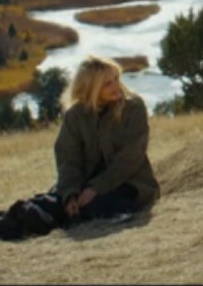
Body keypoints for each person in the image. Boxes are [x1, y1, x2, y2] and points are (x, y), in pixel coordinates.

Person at [54, 55, 161, 222]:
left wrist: (96, 188)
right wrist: (70, 195)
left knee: (96, 206)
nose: (116, 85)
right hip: (85, 185)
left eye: (116, 78)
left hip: (130, 183)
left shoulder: (133, 108)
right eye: (107, 84)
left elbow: (130, 157)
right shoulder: (74, 116)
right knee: (49, 207)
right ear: (91, 88)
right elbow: (68, 160)